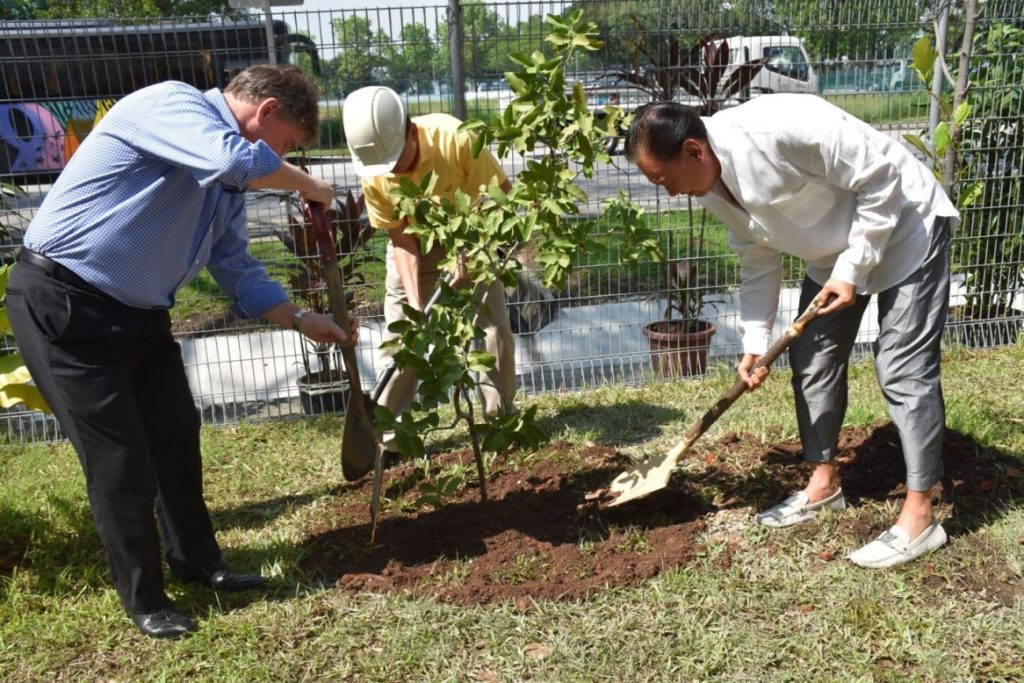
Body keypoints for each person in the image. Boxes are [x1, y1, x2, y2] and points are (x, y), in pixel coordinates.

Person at [6, 64, 354, 639]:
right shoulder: (173, 106)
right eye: (288, 145)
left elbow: (236, 265)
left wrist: (299, 317)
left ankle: (199, 564)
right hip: (65, 303)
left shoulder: (229, 178)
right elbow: (231, 160)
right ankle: (145, 598)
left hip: (141, 315)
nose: (286, 159)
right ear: (265, 112)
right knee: (120, 457)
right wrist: (307, 184)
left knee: (174, 435)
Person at [625, 95, 958, 569]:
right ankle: (823, 485)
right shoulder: (711, 185)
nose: (669, 193)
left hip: (907, 224)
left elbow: (883, 176)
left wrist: (854, 267)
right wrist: (755, 343)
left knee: (902, 368)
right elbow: (757, 260)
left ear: (694, 150)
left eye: (665, 179)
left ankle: (920, 514)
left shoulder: (781, 129)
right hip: (833, 252)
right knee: (812, 362)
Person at [341, 86, 516, 464]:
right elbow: (401, 241)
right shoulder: (374, 170)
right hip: (414, 247)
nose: (394, 170)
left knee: (491, 330)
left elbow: (502, 198)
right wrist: (418, 308)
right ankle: (388, 441)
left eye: (397, 159)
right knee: (402, 340)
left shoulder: (456, 139)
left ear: (409, 129)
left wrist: (472, 248)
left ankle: (500, 424)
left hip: (472, 237)